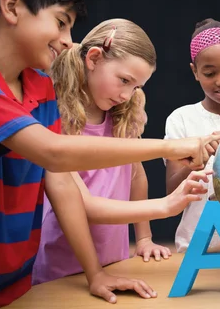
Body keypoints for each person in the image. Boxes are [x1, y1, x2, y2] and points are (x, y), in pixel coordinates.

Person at [0, 0, 220, 308]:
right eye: (60, 23)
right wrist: (168, 150)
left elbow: (60, 183)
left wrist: (96, 274)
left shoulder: (38, 87)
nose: (66, 41)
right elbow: (55, 153)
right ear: (12, 6)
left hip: (18, 281)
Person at [32, 18, 209, 285]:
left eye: (136, 86)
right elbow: (82, 206)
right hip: (62, 270)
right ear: (93, 58)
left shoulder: (122, 116)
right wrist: (164, 205)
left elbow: (135, 176)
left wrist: (144, 238)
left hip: (115, 260)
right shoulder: (56, 120)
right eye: (124, 80)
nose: (127, 94)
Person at [165, 18, 220, 253]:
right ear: (195, 72)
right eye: (210, 73)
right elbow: (171, 192)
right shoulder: (181, 119)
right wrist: (195, 162)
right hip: (195, 248)